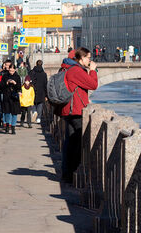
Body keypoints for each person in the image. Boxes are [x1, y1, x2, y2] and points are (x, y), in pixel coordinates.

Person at [59, 47, 98, 184]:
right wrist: (92, 71)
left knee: (70, 142)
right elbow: (93, 84)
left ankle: (68, 173)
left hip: (69, 110)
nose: (90, 60)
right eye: (88, 57)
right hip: (75, 110)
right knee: (75, 144)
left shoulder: (68, 68)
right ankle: (71, 173)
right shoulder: (75, 70)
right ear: (81, 58)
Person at [0, 63, 21, 134]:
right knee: (7, 112)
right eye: (10, 70)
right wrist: (7, 82)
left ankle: (13, 128)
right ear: (8, 69)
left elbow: (19, 87)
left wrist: (15, 83)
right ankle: (7, 127)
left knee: (14, 113)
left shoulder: (17, 77)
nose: (11, 72)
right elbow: (1, 86)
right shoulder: (5, 76)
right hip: (7, 96)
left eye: (13, 71)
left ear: (15, 70)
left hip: (14, 97)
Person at [29, 59, 48, 124]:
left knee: (33, 103)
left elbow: (29, 80)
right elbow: (46, 84)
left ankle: (34, 111)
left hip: (33, 90)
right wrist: (46, 95)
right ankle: (39, 118)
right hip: (42, 91)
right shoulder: (44, 74)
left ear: (36, 64)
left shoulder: (32, 72)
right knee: (40, 104)